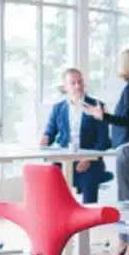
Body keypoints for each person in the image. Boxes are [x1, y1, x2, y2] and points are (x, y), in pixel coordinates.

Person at [84, 49, 129, 255]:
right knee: (124, 197)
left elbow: (126, 120)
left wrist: (102, 116)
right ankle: (123, 242)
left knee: (128, 199)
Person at [40, 67, 111, 203]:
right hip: (64, 161)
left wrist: (88, 159)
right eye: (73, 83)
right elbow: (50, 132)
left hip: (90, 161)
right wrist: (45, 138)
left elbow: (103, 141)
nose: (78, 86)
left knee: (89, 180)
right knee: (51, 182)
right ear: (65, 87)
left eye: (80, 82)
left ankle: (89, 219)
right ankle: (59, 217)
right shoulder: (58, 108)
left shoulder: (97, 106)